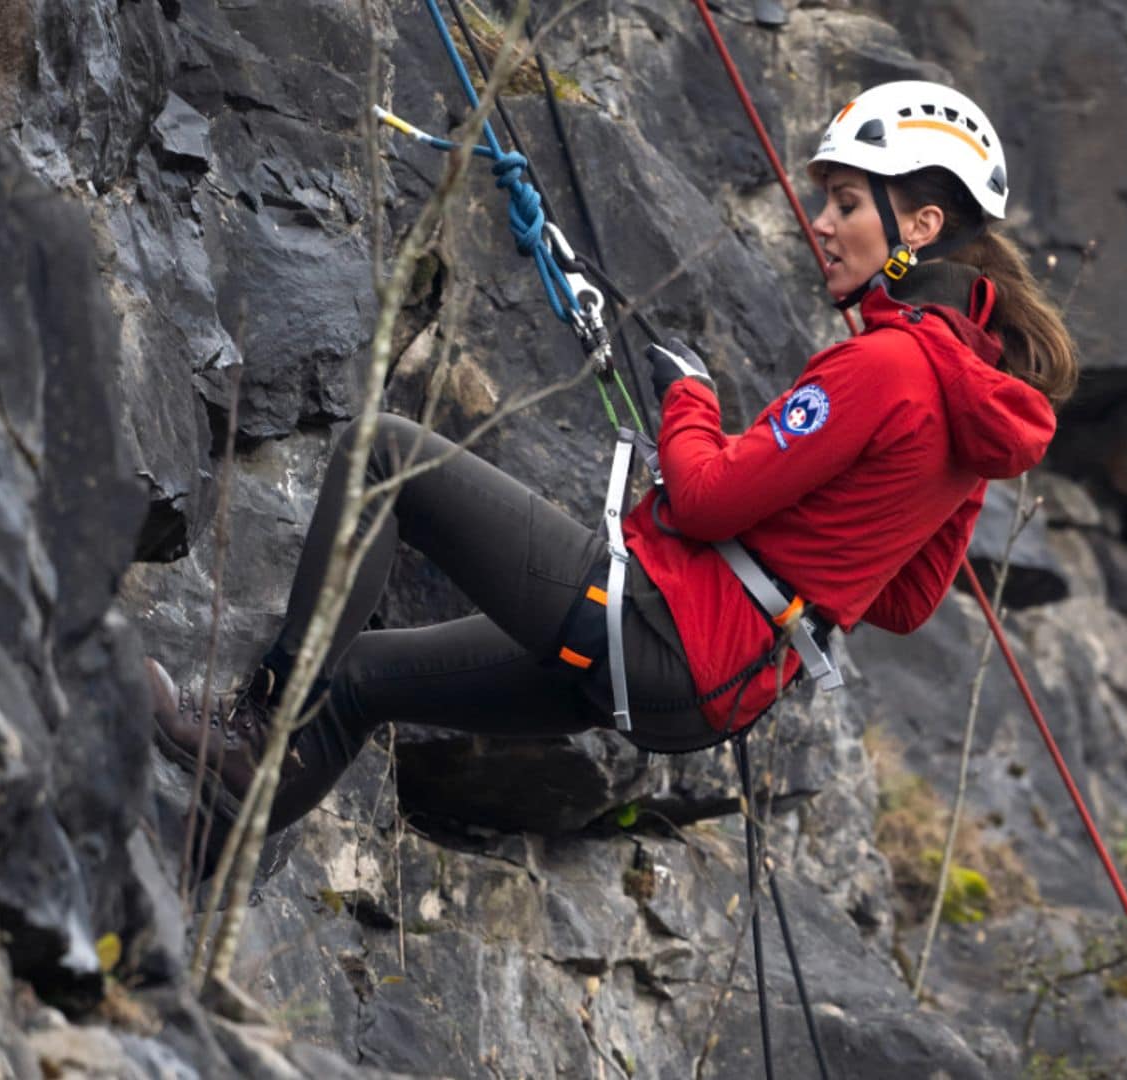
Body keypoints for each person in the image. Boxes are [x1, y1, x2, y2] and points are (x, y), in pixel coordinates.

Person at [147, 80, 1077, 848]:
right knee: (363, 680)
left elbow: (708, 500)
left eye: (845, 203)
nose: (821, 224)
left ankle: (254, 727)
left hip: (656, 631)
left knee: (382, 454)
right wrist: (811, 547)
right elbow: (908, 601)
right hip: (701, 695)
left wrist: (693, 399)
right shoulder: (976, 413)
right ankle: (192, 865)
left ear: (917, 224)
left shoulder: (888, 365)